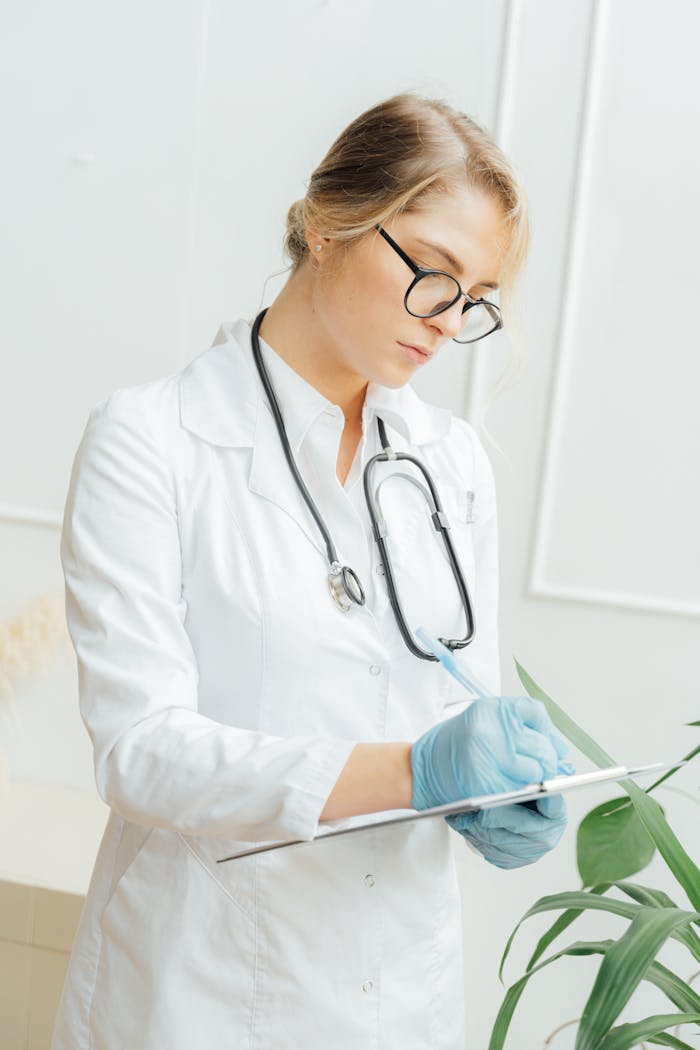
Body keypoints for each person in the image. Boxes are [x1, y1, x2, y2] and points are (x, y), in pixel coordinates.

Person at [52, 92, 574, 1050]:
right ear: (330, 225)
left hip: (401, 990)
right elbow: (142, 751)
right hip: (203, 989)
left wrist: (492, 794)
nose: (446, 323)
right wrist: (416, 772)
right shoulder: (153, 442)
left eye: (474, 301)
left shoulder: (449, 464)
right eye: (433, 274)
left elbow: (464, 707)